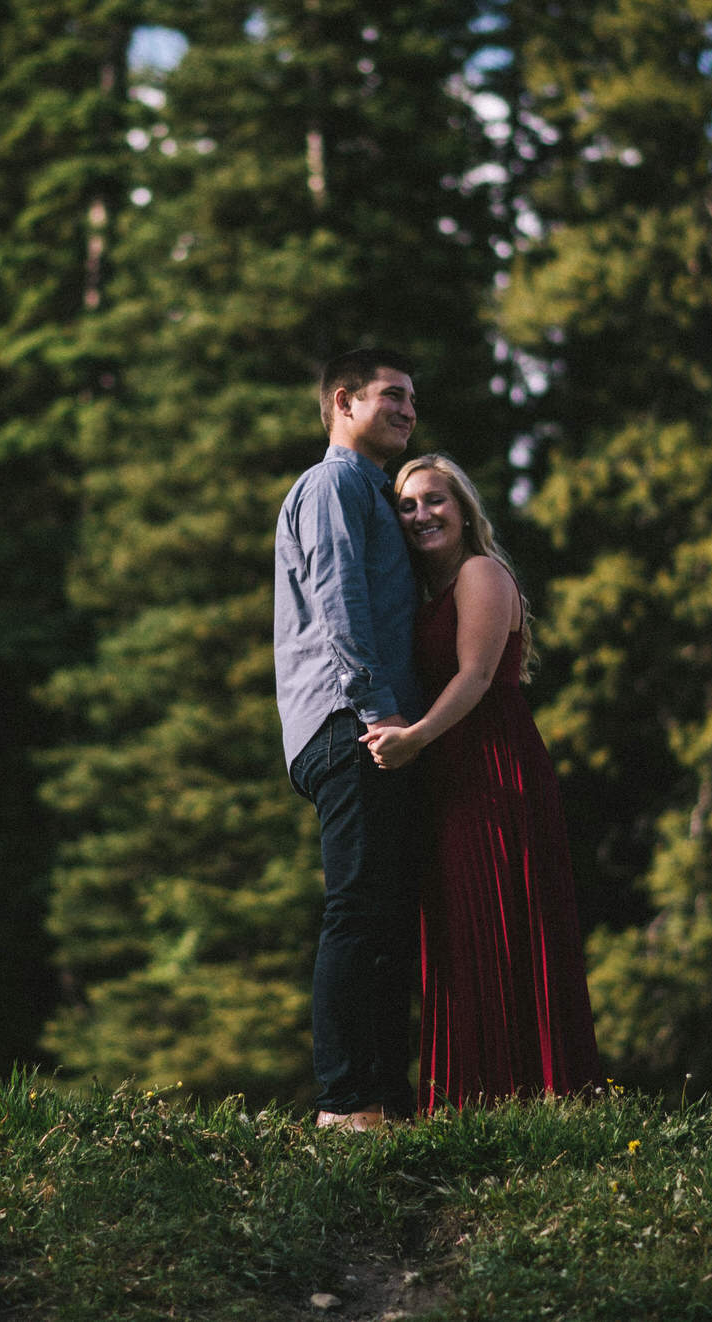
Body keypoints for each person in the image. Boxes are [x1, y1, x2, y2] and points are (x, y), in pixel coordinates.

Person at [364, 454, 600, 1111]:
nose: (421, 515)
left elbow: (473, 675)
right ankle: (473, 1102)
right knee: (459, 937)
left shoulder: (481, 574)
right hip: (446, 779)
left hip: (495, 772)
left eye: (435, 500)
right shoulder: (425, 595)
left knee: (503, 926)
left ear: (465, 510)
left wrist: (412, 738)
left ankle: (535, 1096)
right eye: (407, 507)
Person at [274, 348, 427, 1131]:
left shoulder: (373, 492)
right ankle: (343, 1105)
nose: (407, 409)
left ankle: (385, 1099)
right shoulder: (334, 484)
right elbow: (339, 603)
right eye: (392, 396)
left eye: (411, 399)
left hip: (370, 722)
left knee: (387, 914)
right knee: (360, 907)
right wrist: (378, 712)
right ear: (343, 401)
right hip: (350, 721)